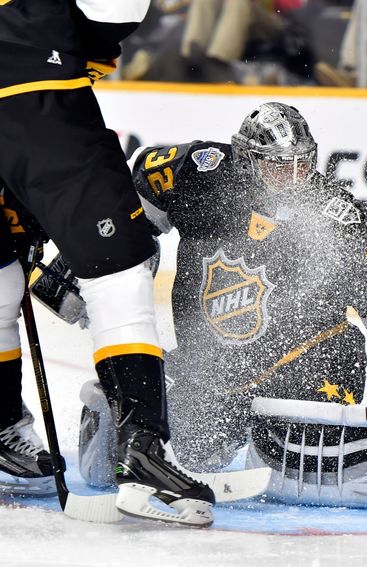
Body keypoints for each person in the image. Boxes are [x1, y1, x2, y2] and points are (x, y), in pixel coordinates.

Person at [66, 102, 367, 514]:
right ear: (246, 159)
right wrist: (80, 268)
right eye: (280, 164)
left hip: (308, 369)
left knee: (300, 460)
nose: (295, 175)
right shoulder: (198, 175)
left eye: (303, 162)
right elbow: (123, 216)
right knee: (141, 452)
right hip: (213, 372)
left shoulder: (332, 218)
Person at [0, 0, 214, 526]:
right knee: (120, 268)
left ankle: (1, 424)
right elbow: (111, 7)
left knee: (2, 276)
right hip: (38, 94)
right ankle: (143, 454)